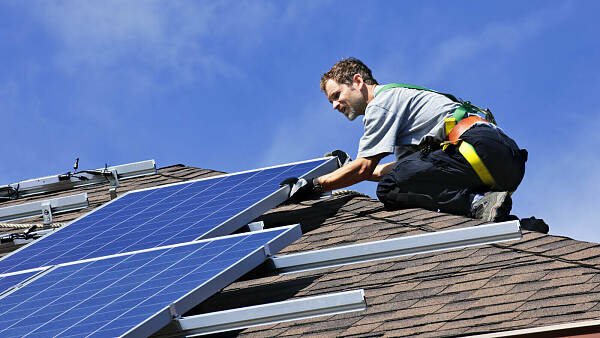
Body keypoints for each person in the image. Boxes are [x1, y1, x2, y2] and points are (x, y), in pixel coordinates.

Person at [282, 57, 527, 222]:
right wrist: (348, 170)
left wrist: (315, 185)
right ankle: (502, 218)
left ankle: (476, 204)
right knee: (399, 177)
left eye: (337, 95)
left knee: (391, 189)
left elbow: (366, 167)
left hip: (479, 151)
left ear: (357, 81)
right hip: (505, 162)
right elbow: (396, 169)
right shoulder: (401, 105)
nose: (335, 105)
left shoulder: (381, 104)